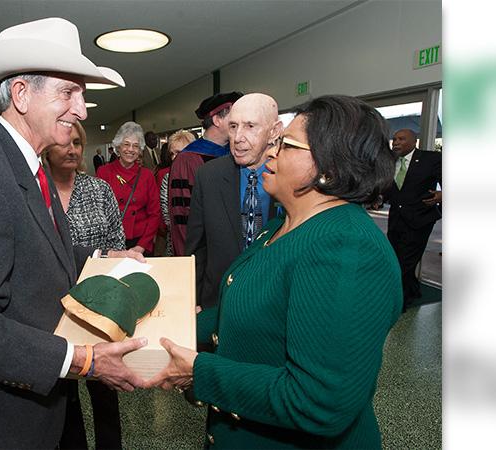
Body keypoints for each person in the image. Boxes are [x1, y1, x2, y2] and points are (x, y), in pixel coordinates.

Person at [0, 18, 148, 449]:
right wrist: (83, 361)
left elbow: (42, 252)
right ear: (21, 94)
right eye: (68, 92)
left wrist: (107, 257)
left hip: (43, 400)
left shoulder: (28, 167)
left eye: (82, 95)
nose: (81, 109)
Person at [148, 95, 403, 449]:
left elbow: (318, 402)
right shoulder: (283, 224)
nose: (270, 152)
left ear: (329, 168)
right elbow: (248, 307)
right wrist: (169, 328)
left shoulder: (345, 249)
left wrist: (199, 372)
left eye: (285, 145)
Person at [45, 121, 126, 450]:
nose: (71, 149)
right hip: (49, 304)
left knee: (104, 386)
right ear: (47, 147)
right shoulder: (35, 191)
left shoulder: (99, 190)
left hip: (97, 304)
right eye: (64, 142)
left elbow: (116, 242)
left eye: (78, 143)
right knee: (63, 390)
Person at [185, 93, 282, 309]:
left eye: (250, 126)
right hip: (217, 305)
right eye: (233, 126)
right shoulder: (208, 176)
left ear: (274, 131)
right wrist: (192, 299)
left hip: (272, 306)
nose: (238, 137)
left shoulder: (292, 178)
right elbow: (196, 247)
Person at [169, 91, 243, 256]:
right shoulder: (186, 159)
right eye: (234, 118)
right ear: (217, 120)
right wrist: (189, 260)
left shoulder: (236, 155)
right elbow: (182, 217)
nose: (239, 122)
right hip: (204, 253)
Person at [380, 128, 442, 311]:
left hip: (420, 220)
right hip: (396, 219)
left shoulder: (431, 159)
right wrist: (379, 199)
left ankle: (400, 303)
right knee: (396, 257)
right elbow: (391, 189)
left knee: (405, 262)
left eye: (401, 139)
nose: (396, 142)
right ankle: (413, 290)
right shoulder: (391, 161)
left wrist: (442, 194)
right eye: (394, 139)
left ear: (414, 142)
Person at [96, 122, 161, 255]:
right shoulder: (103, 172)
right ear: (118, 147)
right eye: (126, 144)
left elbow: (155, 213)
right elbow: (97, 211)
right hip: (111, 242)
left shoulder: (147, 175)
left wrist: (142, 245)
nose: (131, 149)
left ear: (140, 150)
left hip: (140, 240)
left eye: (136, 146)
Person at [157, 130, 195, 256]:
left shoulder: (202, 175)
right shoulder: (167, 179)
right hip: (175, 242)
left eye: (179, 153)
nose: (174, 158)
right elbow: (168, 219)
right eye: (172, 154)